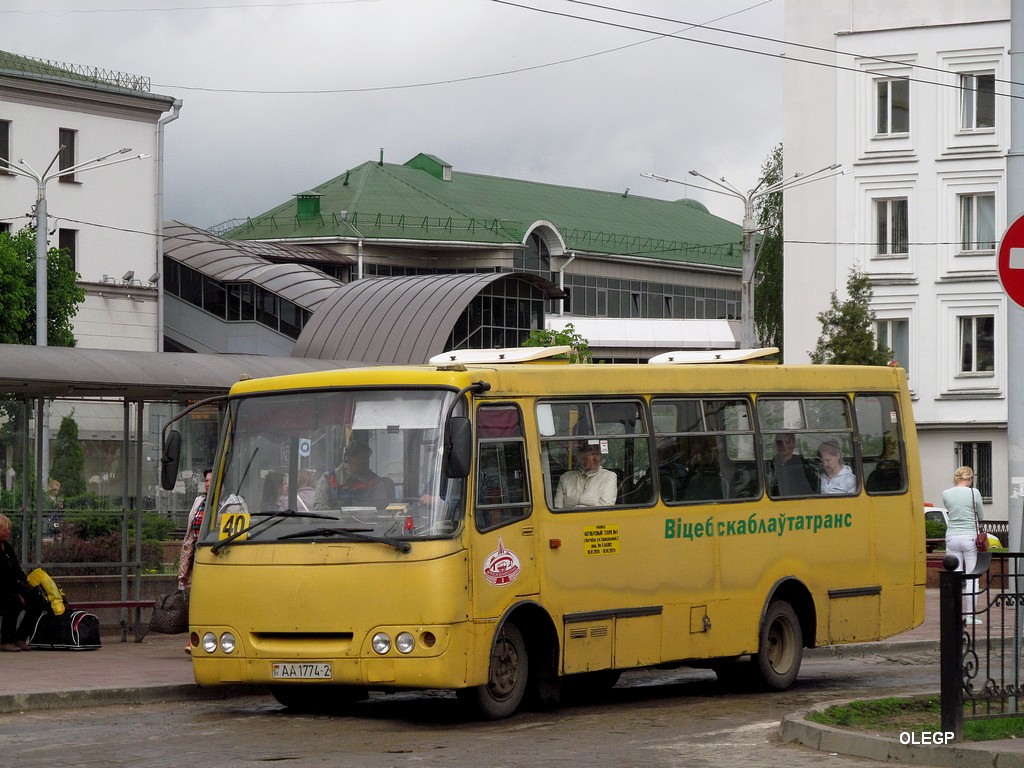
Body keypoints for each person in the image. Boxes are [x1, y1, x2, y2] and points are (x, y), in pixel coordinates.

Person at [942, 465, 985, 623]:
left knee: (954, 576)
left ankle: (954, 614)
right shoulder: (974, 493)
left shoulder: (946, 493)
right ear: (970, 478)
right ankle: (970, 616)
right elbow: (980, 515)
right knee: (972, 577)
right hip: (969, 537)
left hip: (952, 536)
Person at [0, 513, 48, 652]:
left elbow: (16, 571)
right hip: (2, 589)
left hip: (12, 586)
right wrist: (17, 593)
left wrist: (28, 585)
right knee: (14, 601)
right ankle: (6, 641)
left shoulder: (7, 547)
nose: (8, 532)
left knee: (37, 600)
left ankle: (20, 637)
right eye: (4, 529)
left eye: (8, 529)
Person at [313, 436, 395, 509]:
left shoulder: (375, 482)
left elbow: (382, 507)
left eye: (367, 459)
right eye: (361, 459)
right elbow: (319, 506)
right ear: (347, 459)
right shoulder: (328, 479)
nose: (366, 463)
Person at [554, 441, 617, 508]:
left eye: (598, 454)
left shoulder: (609, 477)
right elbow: (558, 507)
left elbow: (606, 507)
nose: (596, 459)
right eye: (592, 454)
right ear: (582, 456)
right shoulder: (566, 477)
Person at [178, 468, 211, 592]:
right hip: (197, 556)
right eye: (206, 481)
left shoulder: (230, 503)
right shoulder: (199, 501)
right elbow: (190, 533)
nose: (208, 484)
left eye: (211, 481)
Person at [770, 432, 815, 497]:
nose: (784, 445)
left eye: (787, 442)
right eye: (779, 443)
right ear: (776, 445)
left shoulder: (802, 467)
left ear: (793, 444)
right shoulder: (770, 465)